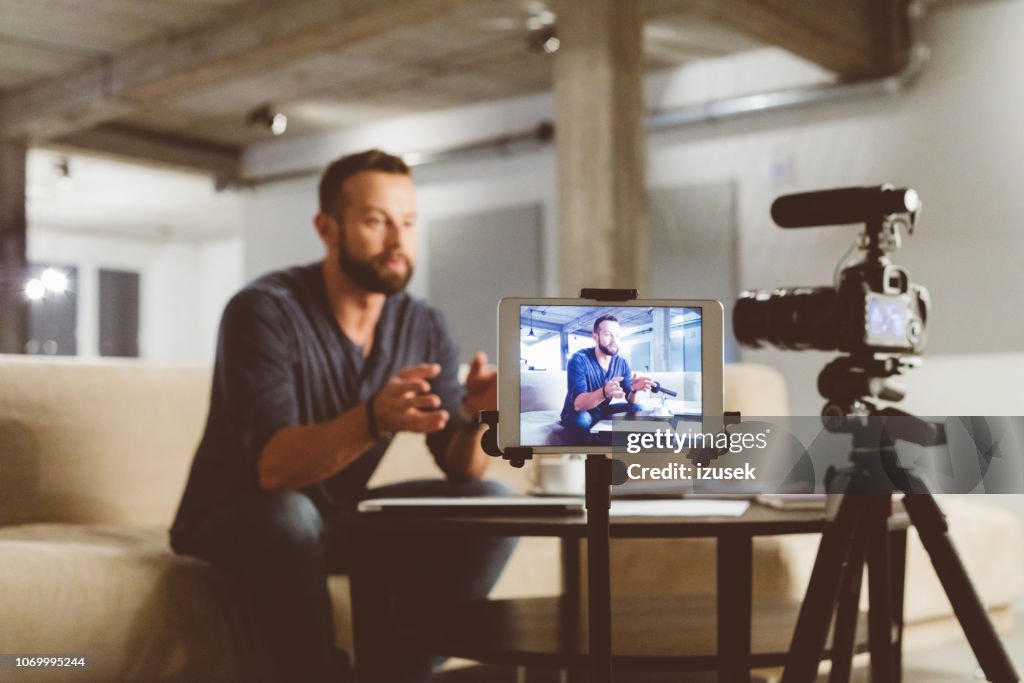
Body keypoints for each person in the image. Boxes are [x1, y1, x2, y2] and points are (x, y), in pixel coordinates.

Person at [169, 149, 516, 683]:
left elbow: (461, 470)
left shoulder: (421, 323)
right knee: (289, 514)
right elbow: (273, 472)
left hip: (336, 514)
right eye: (377, 222)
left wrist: (477, 418)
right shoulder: (263, 311)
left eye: (408, 223)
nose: (399, 242)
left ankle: (401, 670)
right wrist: (373, 418)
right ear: (327, 229)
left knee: (492, 503)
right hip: (236, 516)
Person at [559, 315, 656, 442]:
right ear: (595, 336)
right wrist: (604, 392)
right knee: (581, 420)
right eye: (608, 334)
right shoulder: (578, 360)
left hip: (602, 410)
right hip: (578, 412)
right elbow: (578, 404)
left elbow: (631, 400)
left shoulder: (622, 363)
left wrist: (634, 390)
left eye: (617, 335)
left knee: (638, 408)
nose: (614, 340)